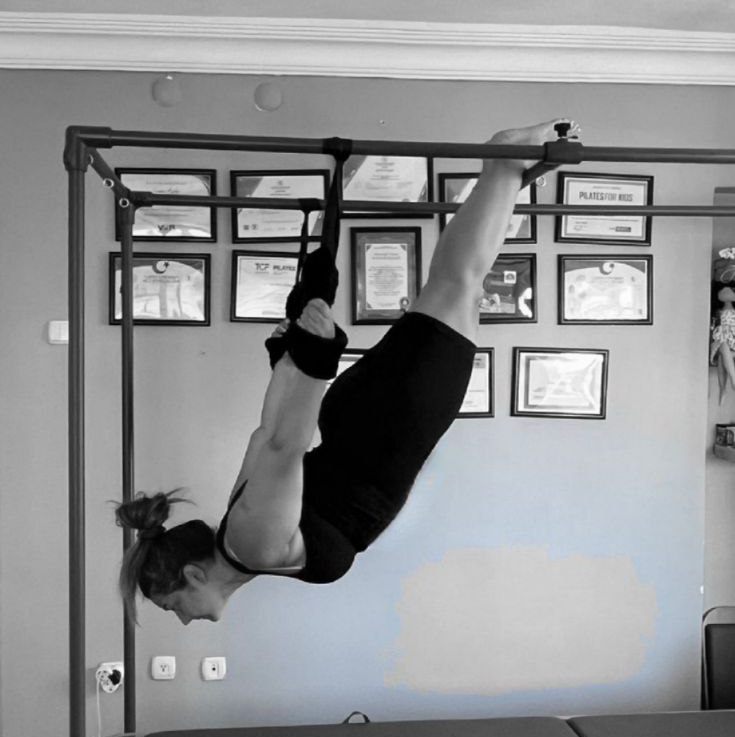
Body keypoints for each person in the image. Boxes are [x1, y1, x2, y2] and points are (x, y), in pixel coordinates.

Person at [115, 118, 580, 625]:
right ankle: (503, 173)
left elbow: (283, 446)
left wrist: (313, 365)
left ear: (192, 575)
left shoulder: (252, 545)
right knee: (456, 287)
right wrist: (287, 363)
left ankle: (502, 162)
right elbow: (264, 435)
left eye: (172, 606)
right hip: (370, 423)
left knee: (458, 285)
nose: (183, 619)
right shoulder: (238, 532)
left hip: (388, 424)